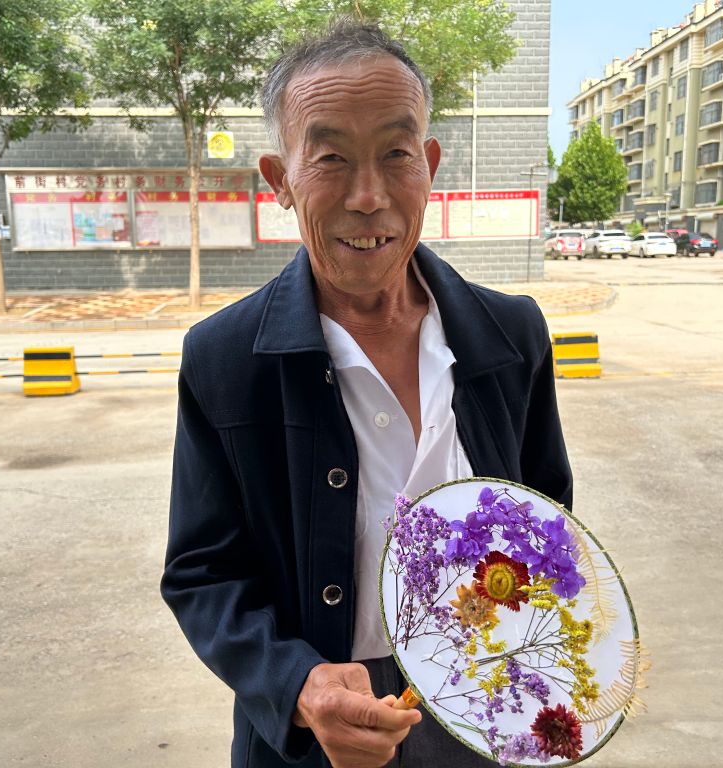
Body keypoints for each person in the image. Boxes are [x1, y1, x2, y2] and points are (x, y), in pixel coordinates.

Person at [161, 20, 572, 768]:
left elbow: (548, 519)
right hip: (321, 728)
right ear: (279, 180)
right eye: (330, 159)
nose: (368, 196)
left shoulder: (511, 336)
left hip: (490, 698)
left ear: (430, 165)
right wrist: (297, 684)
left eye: (395, 153)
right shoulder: (226, 360)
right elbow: (203, 572)